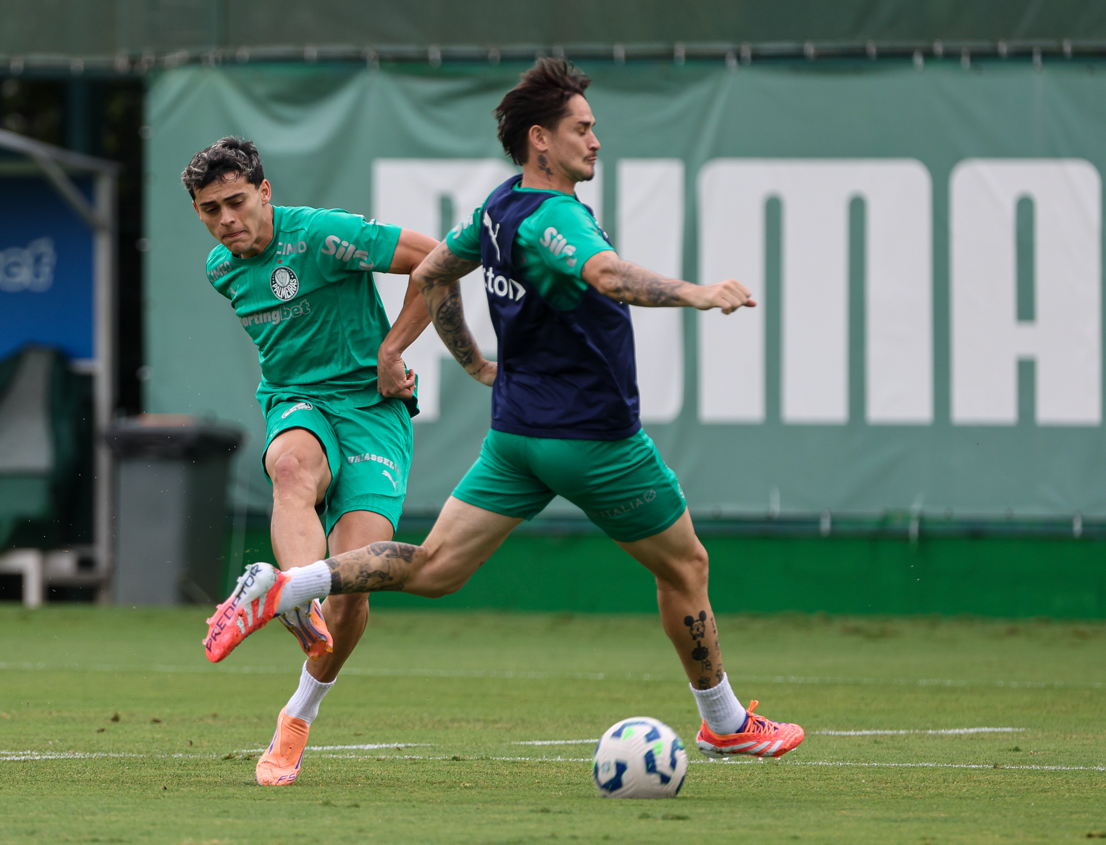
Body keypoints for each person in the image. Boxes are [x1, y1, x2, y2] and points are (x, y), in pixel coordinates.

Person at [213, 59, 805, 762]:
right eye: (581, 128)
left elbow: (433, 272)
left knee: (432, 566)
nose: (595, 140)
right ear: (541, 140)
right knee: (686, 566)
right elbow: (606, 274)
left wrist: (463, 362)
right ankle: (725, 721)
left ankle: (289, 582)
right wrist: (699, 293)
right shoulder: (553, 216)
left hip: (515, 435)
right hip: (592, 437)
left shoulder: (498, 208)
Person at [185, 137, 438, 785]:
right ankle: (297, 595)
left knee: (355, 584)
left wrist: (392, 350)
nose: (226, 220)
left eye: (237, 202)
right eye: (210, 209)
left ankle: (298, 713)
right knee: (290, 469)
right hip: (297, 403)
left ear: (265, 193)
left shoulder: (323, 236)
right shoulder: (220, 270)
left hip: (373, 410)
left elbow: (436, 258)